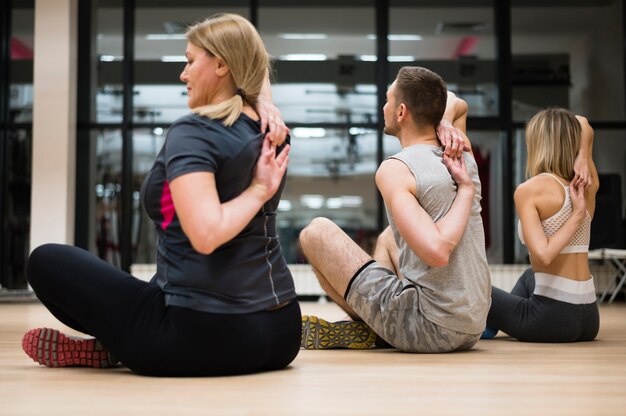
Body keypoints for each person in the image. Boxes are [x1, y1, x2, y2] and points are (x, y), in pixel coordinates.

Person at [22, 13, 301, 376]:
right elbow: (251, 61)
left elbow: (206, 234)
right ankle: (117, 341)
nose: (183, 75)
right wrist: (262, 100)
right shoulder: (272, 131)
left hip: (196, 337)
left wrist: (259, 189)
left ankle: (114, 345)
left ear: (220, 64)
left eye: (189, 61)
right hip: (280, 333)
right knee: (158, 281)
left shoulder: (194, 132)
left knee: (45, 261)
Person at [299, 66, 491, 353]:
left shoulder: (396, 169)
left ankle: (371, 327)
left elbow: (437, 252)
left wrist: (466, 190)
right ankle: (378, 322)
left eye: (387, 100)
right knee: (390, 236)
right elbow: (456, 103)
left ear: (401, 112)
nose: (383, 107)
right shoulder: (460, 153)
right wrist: (447, 119)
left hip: (430, 327)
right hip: (472, 324)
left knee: (314, 233)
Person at [482, 108, 600, 342]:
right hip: (589, 318)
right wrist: (584, 156)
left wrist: (577, 216)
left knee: (478, 288)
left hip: (551, 319)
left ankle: (490, 323)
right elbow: (584, 123)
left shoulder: (531, 190)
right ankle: (494, 323)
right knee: (529, 276)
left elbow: (544, 256)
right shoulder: (588, 184)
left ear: (538, 144)